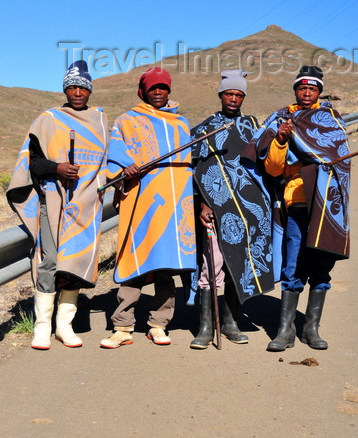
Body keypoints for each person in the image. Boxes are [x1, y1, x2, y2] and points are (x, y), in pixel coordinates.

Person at [7, 61, 109, 349]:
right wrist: (57, 167)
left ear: (89, 91)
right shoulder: (47, 120)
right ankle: (42, 328)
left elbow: (106, 162)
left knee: (73, 263)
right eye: (72, 87)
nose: (77, 92)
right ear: (65, 89)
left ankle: (64, 326)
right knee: (50, 260)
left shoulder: (100, 121)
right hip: (52, 200)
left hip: (86, 203)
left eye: (83, 87)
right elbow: (33, 164)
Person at [255, 65, 351, 352]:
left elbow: (340, 157)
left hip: (328, 203)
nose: (307, 92)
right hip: (297, 199)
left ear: (319, 91)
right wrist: (282, 139)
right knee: (294, 261)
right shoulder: (282, 118)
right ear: (295, 90)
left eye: (312, 88)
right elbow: (272, 169)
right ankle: (285, 331)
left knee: (322, 263)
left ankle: (311, 329)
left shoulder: (332, 119)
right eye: (302, 88)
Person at [100, 67, 196, 349]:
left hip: (175, 205)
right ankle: (123, 326)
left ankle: (158, 324)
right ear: (143, 91)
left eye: (163, 88)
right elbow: (114, 155)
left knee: (165, 267)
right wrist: (124, 168)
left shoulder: (181, 124)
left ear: (168, 91)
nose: (158, 92)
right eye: (153, 88)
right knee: (135, 262)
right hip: (141, 203)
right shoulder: (126, 121)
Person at [190, 69, 274, 349]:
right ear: (221, 95)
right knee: (211, 267)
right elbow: (197, 172)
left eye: (239, 95)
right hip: (216, 209)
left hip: (248, 212)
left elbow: (264, 165)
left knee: (238, 265)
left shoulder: (252, 128)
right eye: (229, 94)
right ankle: (205, 327)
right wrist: (203, 204)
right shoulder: (204, 130)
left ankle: (230, 322)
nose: (234, 99)